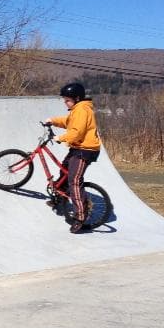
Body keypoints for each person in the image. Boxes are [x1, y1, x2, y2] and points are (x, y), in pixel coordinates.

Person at [45, 82, 101, 234]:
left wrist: (61, 138)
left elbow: (77, 132)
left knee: (74, 181)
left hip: (85, 150)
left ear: (77, 98)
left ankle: (80, 218)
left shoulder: (82, 110)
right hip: (78, 148)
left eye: (67, 100)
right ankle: (60, 199)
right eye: (64, 100)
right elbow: (68, 122)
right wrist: (53, 121)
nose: (65, 102)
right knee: (64, 170)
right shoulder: (77, 110)